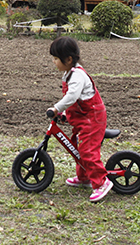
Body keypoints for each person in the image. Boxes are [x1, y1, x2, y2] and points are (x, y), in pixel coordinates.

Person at [46, 36, 113, 203]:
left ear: (68, 59)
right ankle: (84, 177)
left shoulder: (78, 75)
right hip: (84, 118)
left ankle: (102, 182)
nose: (54, 62)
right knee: (76, 145)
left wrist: (56, 108)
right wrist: (64, 115)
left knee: (87, 150)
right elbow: (76, 103)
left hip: (92, 119)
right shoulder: (70, 73)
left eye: (56, 58)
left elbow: (72, 97)